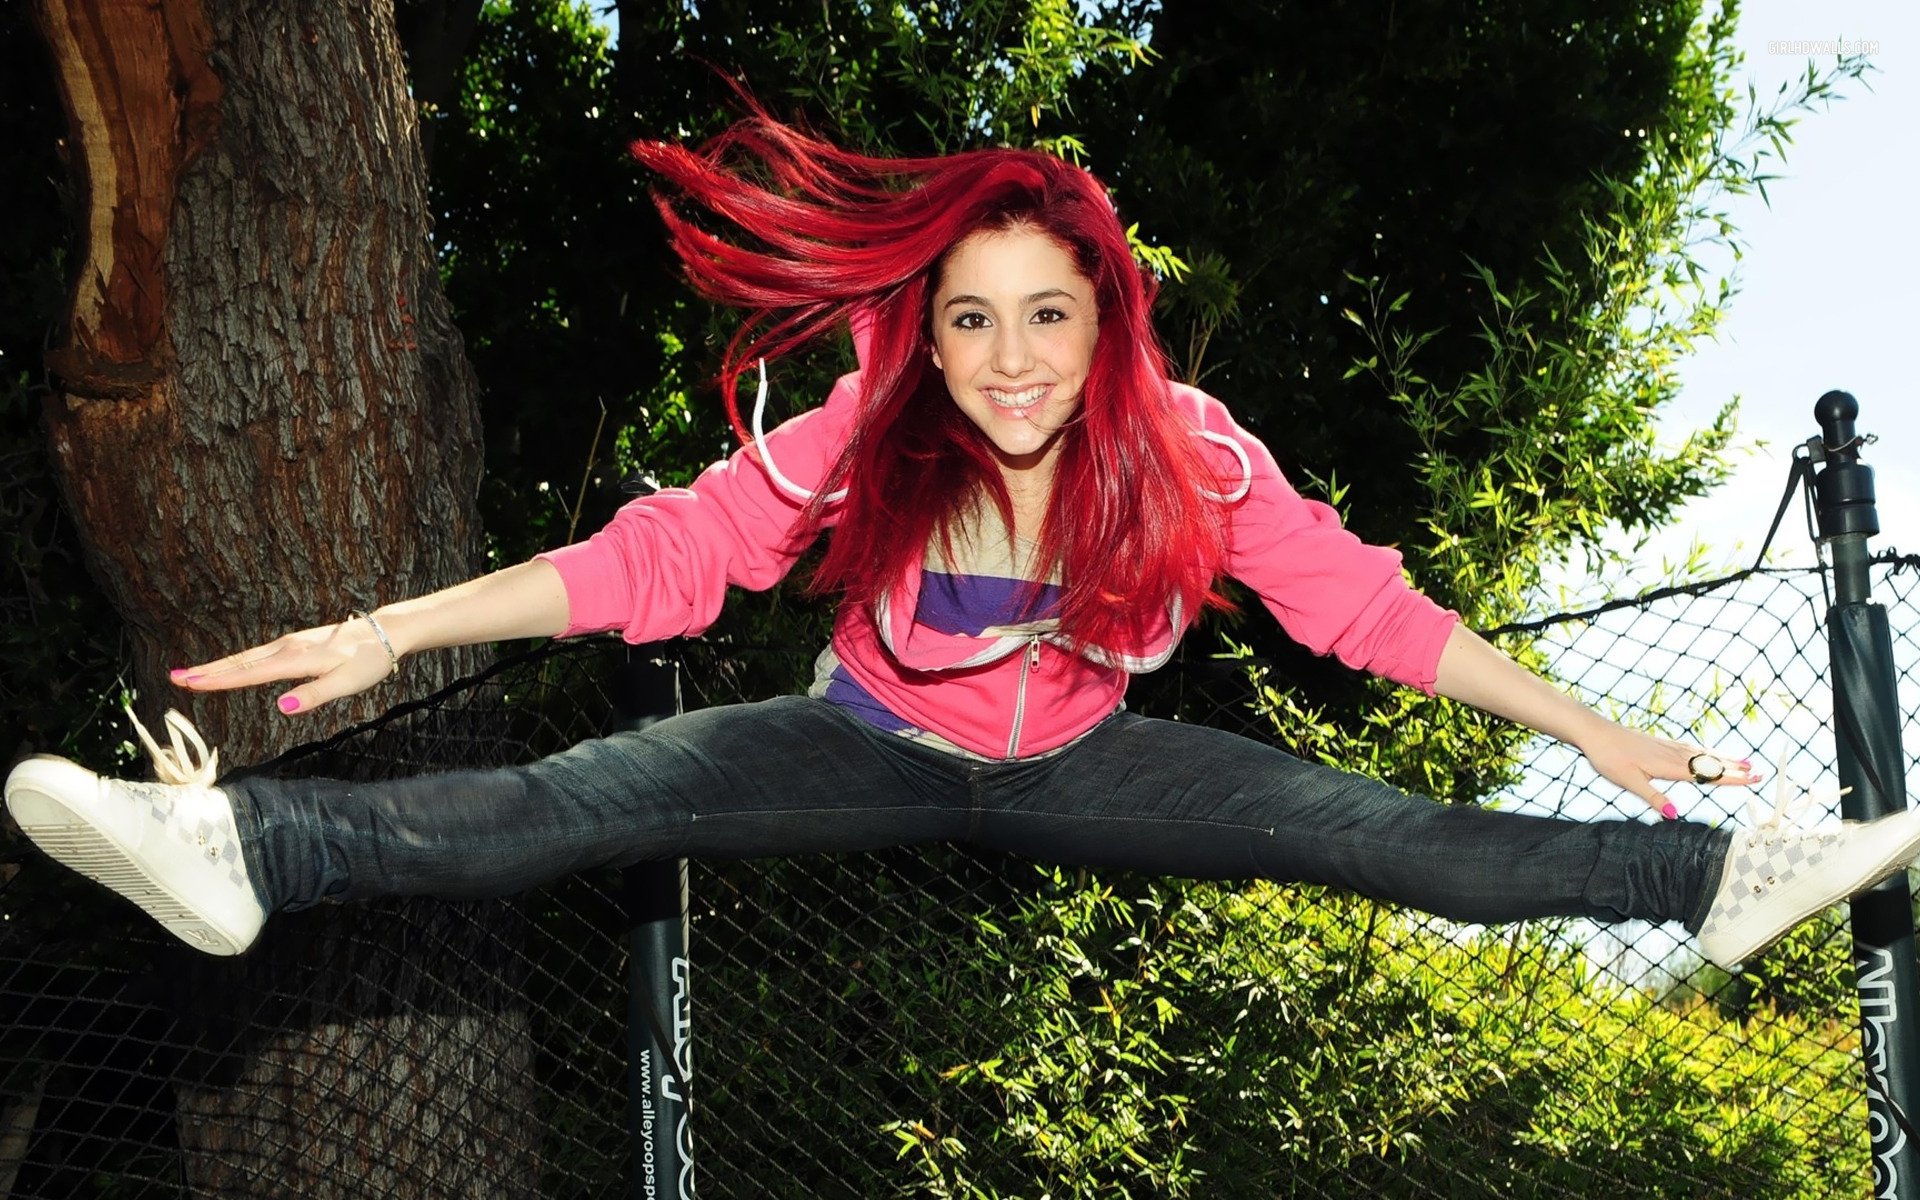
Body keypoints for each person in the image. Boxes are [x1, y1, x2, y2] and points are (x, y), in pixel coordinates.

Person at [6, 107, 1917, 974]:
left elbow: (1361, 610)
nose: (1008, 365)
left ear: (1110, 325)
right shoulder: (872, 433)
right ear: (931, 328)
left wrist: (1585, 719)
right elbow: (660, 560)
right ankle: (241, 850)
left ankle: (1722, 882)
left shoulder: (1182, 451)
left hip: (1102, 765)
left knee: (1386, 838)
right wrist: (394, 628)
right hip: (852, 742)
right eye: (974, 320)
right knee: (582, 792)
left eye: (1049, 319)